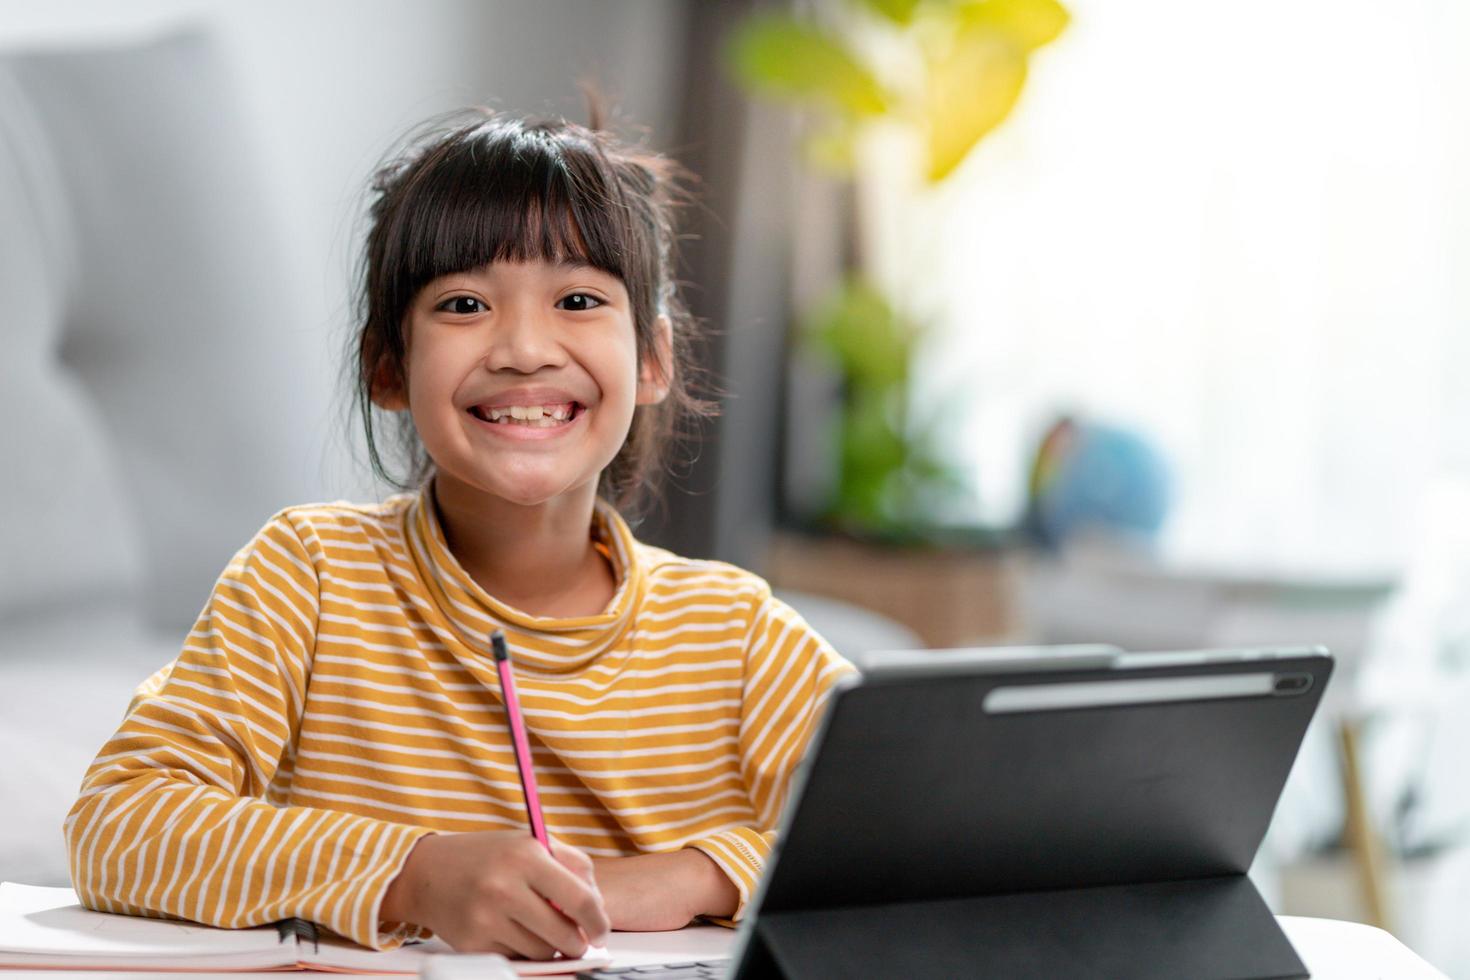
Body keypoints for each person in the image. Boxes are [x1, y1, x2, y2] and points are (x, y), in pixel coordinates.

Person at [64, 105, 854, 962]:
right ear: (389, 368)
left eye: (579, 299)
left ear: (653, 358)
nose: (522, 348)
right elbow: (119, 821)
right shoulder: (311, 576)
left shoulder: (732, 632)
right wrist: (414, 876)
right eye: (465, 303)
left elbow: (916, 829)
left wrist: (696, 875)